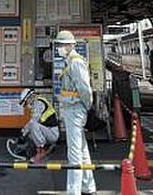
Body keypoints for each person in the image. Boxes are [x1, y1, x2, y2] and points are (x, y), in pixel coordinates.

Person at [56, 29, 96, 195]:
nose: (59, 47)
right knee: (81, 149)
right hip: (73, 108)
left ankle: (73, 191)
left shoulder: (75, 62)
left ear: (70, 45)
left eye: (61, 44)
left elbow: (85, 89)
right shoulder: (70, 61)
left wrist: (87, 107)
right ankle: (88, 186)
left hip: (75, 109)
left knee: (73, 153)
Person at [7, 88, 59, 162]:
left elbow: (33, 122)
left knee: (32, 125)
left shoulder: (39, 103)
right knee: (31, 132)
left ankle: (41, 151)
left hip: (52, 133)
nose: (27, 105)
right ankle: (30, 150)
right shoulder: (36, 104)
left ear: (30, 97)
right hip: (47, 131)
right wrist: (23, 134)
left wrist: (22, 134)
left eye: (26, 102)